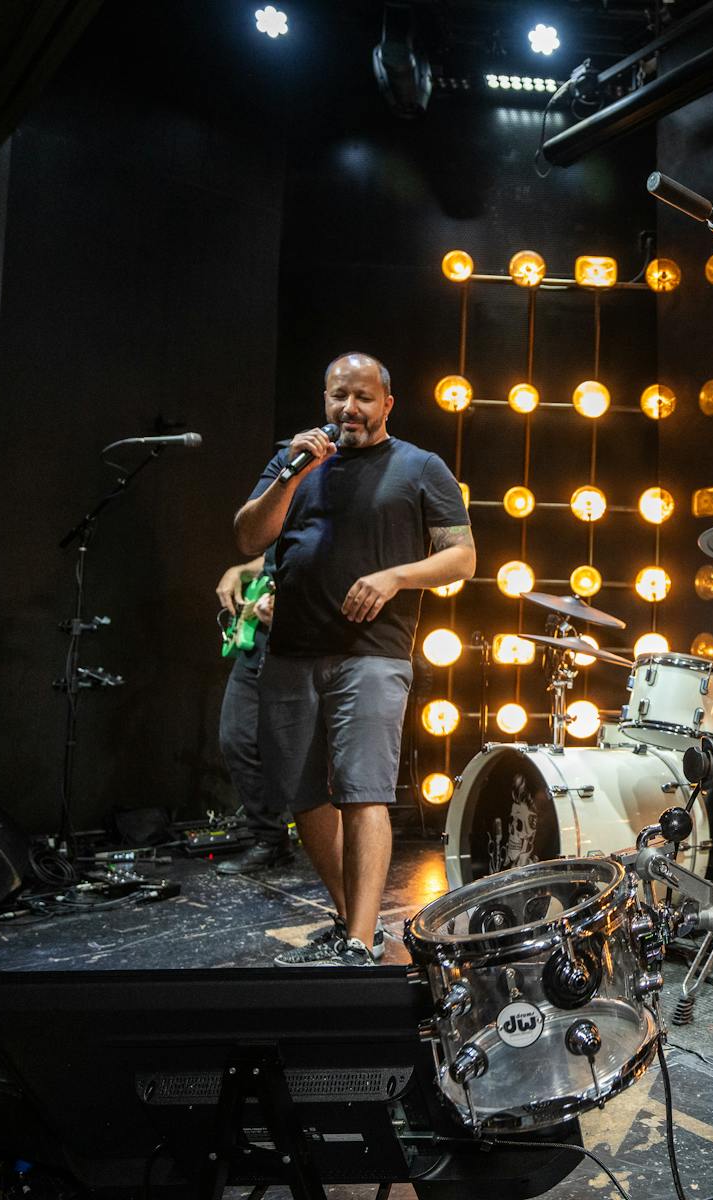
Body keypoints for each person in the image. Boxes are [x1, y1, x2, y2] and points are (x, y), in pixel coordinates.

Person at [234, 351, 474, 967]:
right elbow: (248, 536)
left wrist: (395, 577)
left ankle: (362, 943)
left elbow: (462, 557)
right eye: (339, 396)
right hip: (291, 653)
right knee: (305, 796)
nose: (350, 408)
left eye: (363, 397)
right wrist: (290, 475)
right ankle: (354, 927)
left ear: (386, 403)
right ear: (325, 400)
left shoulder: (420, 467)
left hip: (372, 654)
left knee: (363, 793)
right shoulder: (293, 462)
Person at [213, 553, 293, 875]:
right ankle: (270, 839)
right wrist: (240, 569)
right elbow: (276, 554)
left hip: (300, 651)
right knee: (236, 738)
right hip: (257, 647)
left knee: (307, 753)